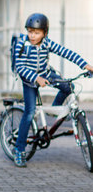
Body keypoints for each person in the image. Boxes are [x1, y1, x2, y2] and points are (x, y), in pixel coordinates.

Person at [13, 12, 93, 167]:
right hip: (30, 80)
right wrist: (36, 78)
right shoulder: (22, 44)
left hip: (46, 74)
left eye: (37, 33)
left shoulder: (47, 43)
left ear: (44, 33)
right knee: (29, 112)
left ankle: (54, 109)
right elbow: (20, 67)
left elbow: (66, 53)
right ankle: (19, 150)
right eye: (30, 31)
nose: (33, 36)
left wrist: (86, 65)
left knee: (68, 86)